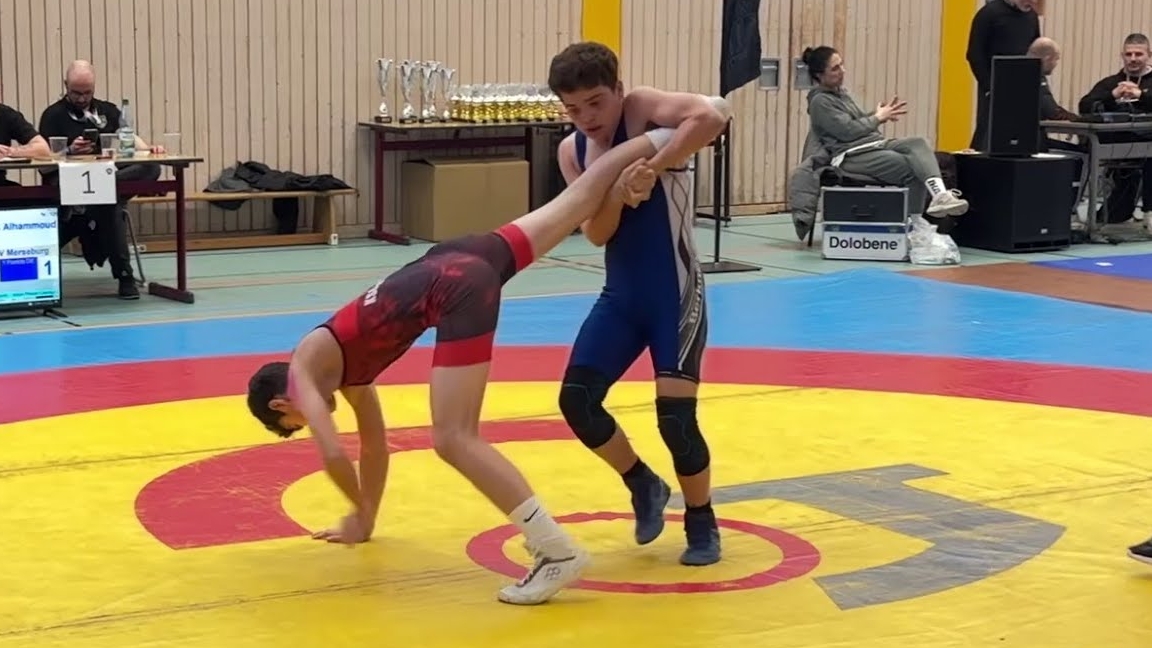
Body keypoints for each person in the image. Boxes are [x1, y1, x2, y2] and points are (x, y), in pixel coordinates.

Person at [244, 124, 686, 606]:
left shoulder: (304, 369)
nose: (307, 419)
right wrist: (367, 517)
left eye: (293, 423)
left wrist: (353, 510)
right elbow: (373, 448)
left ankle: (555, 551)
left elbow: (332, 452)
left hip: (452, 287)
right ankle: (664, 136)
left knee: (454, 438)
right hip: (459, 256)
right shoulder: (347, 375)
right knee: (574, 202)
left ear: (282, 403)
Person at [546, 41, 729, 567]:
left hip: (675, 291)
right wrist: (621, 195)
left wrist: (656, 164)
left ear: (619, 90)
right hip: (622, 297)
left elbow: (711, 116)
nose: (587, 118)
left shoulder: (643, 108)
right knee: (577, 400)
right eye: (573, 109)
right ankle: (642, 482)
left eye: (596, 103)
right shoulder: (572, 152)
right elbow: (596, 232)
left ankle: (701, 519)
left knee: (676, 419)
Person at [800, 45, 969, 222]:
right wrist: (878, 118)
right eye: (835, 68)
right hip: (851, 155)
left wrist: (879, 113)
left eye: (841, 64)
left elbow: (859, 121)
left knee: (918, 142)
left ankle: (940, 196)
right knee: (912, 167)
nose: (842, 71)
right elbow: (847, 131)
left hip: (872, 144)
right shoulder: (820, 102)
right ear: (819, 75)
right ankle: (914, 223)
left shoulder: (842, 94)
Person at [966, 0, 1042, 151]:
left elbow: (1035, 51)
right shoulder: (989, 13)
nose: (1032, 3)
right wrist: (988, 87)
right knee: (987, 133)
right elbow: (974, 54)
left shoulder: (1032, 17)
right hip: (994, 85)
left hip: (1023, 87)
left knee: (1022, 135)